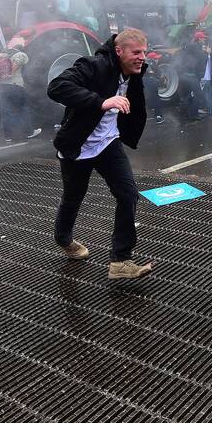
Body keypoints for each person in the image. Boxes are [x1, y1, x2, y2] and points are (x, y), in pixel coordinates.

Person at [47, 29, 154, 280]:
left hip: (108, 143)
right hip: (78, 145)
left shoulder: (134, 72)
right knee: (73, 198)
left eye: (144, 52)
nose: (142, 57)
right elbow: (56, 87)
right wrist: (101, 101)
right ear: (119, 51)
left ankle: (120, 261)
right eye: (136, 52)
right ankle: (63, 238)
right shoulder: (93, 65)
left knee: (128, 194)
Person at [0, 51, 42, 142]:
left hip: (2, 87)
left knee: (6, 112)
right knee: (23, 109)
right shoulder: (20, 54)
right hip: (15, 86)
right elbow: (16, 64)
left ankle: (8, 135)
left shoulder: (1, 56)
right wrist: (10, 74)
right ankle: (29, 132)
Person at [175, 30, 209, 122]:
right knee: (198, 95)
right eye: (203, 38)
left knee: (187, 94)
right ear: (199, 39)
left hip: (183, 73)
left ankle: (183, 111)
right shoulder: (197, 47)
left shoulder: (188, 46)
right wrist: (207, 52)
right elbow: (202, 59)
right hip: (191, 74)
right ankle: (193, 115)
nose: (204, 40)